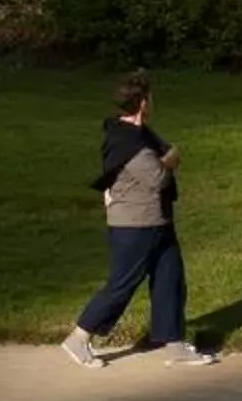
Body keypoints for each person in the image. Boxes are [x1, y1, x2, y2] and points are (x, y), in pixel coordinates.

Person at [62, 73, 216, 370]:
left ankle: (174, 344)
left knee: (170, 279)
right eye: (151, 97)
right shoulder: (127, 140)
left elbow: (161, 156)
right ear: (143, 102)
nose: (153, 101)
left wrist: (167, 157)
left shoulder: (140, 132)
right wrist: (170, 160)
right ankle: (79, 338)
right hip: (134, 225)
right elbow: (157, 177)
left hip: (157, 220)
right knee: (122, 284)